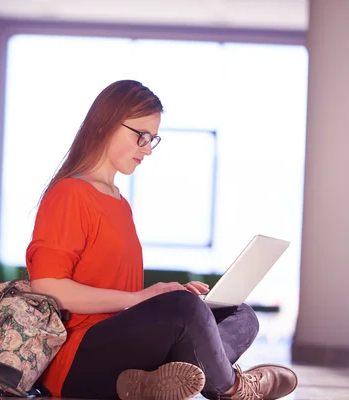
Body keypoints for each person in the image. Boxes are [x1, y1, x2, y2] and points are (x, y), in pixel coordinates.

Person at [25, 80, 298, 400]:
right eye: (140, 136)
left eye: (153, 138)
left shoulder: (118, 201)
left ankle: (151, 383)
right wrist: (145, 299)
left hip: (124, 353)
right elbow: (48, 287)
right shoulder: (70, 193)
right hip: (78, 362)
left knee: (240, 315)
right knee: (184, 307)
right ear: (105, 125)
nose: (148, 148)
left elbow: (122, 293)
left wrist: (161, 298)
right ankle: (235, 388)